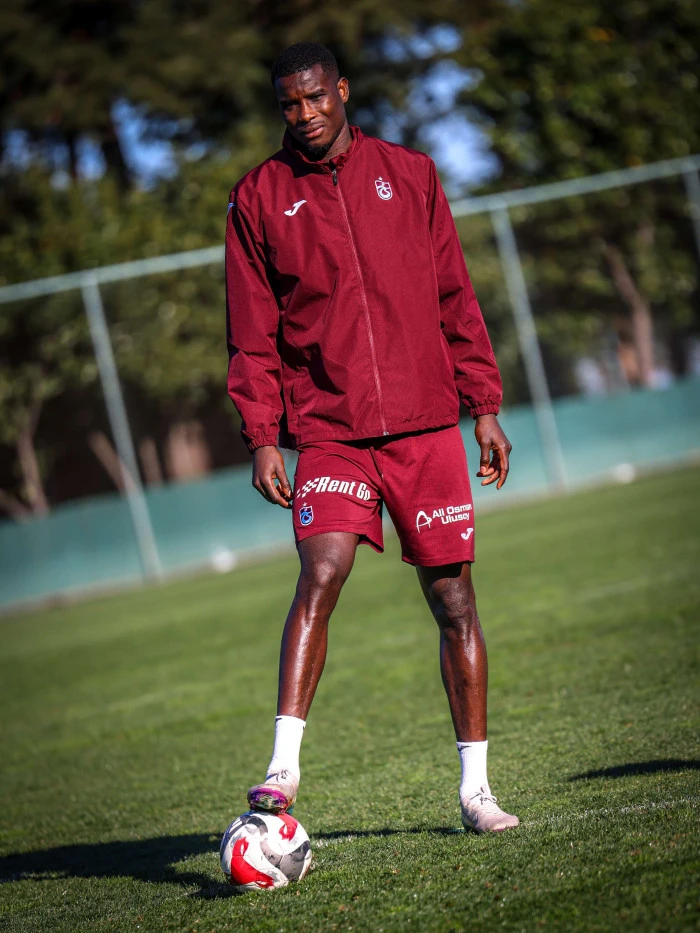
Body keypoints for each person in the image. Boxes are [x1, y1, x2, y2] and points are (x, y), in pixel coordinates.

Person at [225, 42, 518, 834]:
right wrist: (262, 435)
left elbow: (455, 295)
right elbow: (251, 333)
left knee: (454, 601)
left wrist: (483, 404)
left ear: (343, 91)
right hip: (330, 429)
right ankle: (281, 769)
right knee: (321, 571)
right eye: (290, 103)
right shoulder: (257, 198)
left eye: (316, 96)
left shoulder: (412, 173)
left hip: (425, 425)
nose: (305, 114)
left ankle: (476, 791)